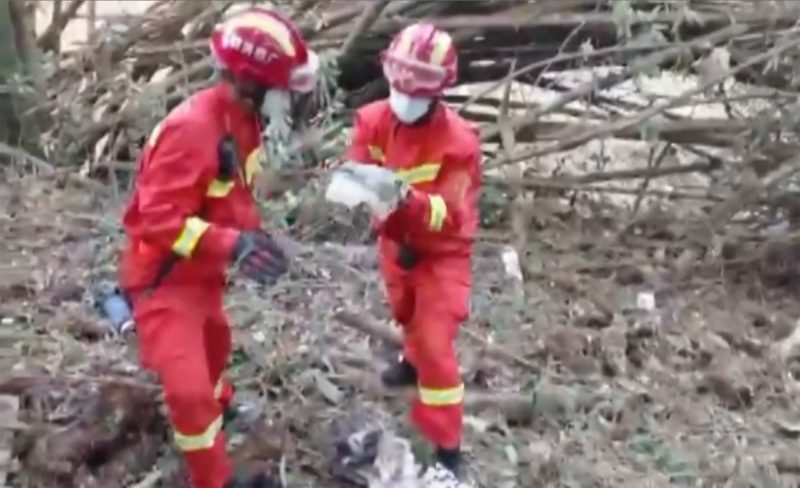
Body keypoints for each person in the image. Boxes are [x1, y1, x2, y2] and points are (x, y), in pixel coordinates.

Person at [119, 7, 318, 488]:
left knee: (214, 346)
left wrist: (252, 239)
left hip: (201, 275)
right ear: (249, 82)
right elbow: (157, 220)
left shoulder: (240, 121)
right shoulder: (194, 129)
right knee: (188, 393)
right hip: (163, 282)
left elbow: (229, 196)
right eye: (280, 89)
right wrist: (234, 245)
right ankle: (213, 476)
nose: (287, 99)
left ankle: (221, 401)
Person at [343, 22, 482, 488]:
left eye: (414, 88)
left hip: (441, 254)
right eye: (398, 85)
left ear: (438, 90)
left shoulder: (459, 142)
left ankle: (447, 454)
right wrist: (356, 189)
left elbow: (451, 211)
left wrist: (408, 201)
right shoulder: (372, 120)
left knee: (437, 347)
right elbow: (358, 167)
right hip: (394, 244)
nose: (403, 97)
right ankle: (409, 362)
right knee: (405, 314)